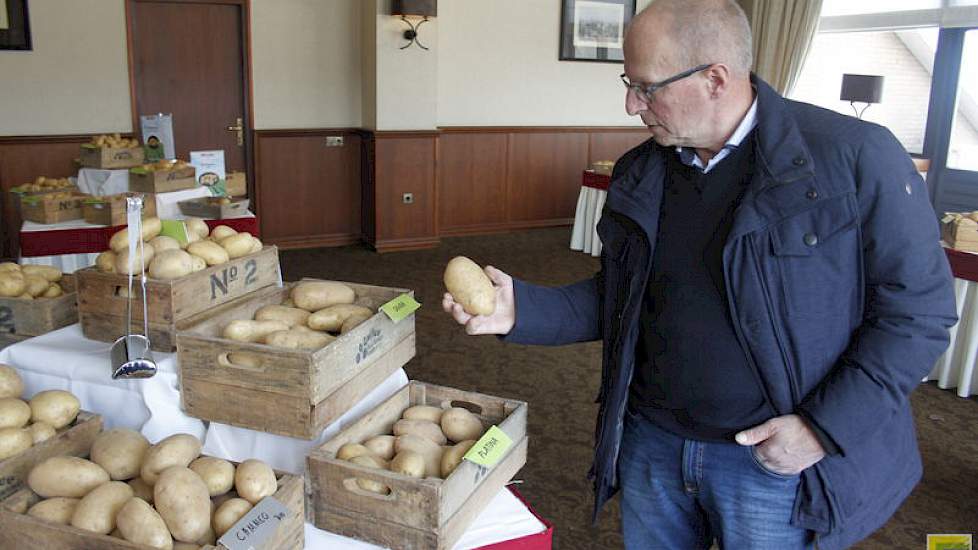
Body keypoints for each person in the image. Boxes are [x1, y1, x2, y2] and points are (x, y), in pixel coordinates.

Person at [442, 0, 958, 548]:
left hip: (774, 462)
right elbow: (623, 296)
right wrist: (521, 309)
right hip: (651, 446)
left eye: (645, 86)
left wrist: (821, 430)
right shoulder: (643, 170)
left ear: (715, 78)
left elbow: (917, 316)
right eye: (628, 82)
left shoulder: (855, 157)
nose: (629, 104)